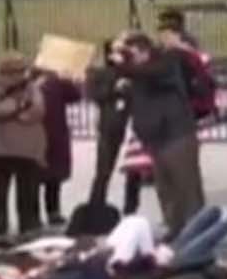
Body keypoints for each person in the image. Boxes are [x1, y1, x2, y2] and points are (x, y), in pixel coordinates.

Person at [114, 31, 204, 238]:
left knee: (186, 185)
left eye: (132, 53)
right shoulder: (137, 72)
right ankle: (175, 226)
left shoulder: (166, 63)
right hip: (155, 138)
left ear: (144, 50)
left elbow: (149, 73)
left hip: (177, 134)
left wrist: (123, 66)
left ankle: (197, 228)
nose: (130, 59)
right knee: (165, 187)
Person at [0, 54, 46, 238]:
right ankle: (2, 227)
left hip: (26, 147)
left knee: (25, 190)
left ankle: (24, 226)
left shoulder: (30, 87)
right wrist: (18, 106)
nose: (21, 74)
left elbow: (39, 109)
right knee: (2, 191)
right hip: (3, 147)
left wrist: (21, 114)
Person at [86, 36, 138, 212]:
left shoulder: (134, 71)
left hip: (133, 125)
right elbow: (94, 94)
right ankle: (96, 205)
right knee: (103, 170)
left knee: (134, 169)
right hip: (110, 126)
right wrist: (114, 88)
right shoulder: (100, 73)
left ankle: (131, 208)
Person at [36, 67, 80, 227]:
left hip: (56, 134)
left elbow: (75, 96)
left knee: (53, 177)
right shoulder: (31, 80)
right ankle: (32, 216)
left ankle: (53, 212)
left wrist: (68, 79)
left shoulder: (57, 82)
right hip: (35, 134)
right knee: (32, 180)